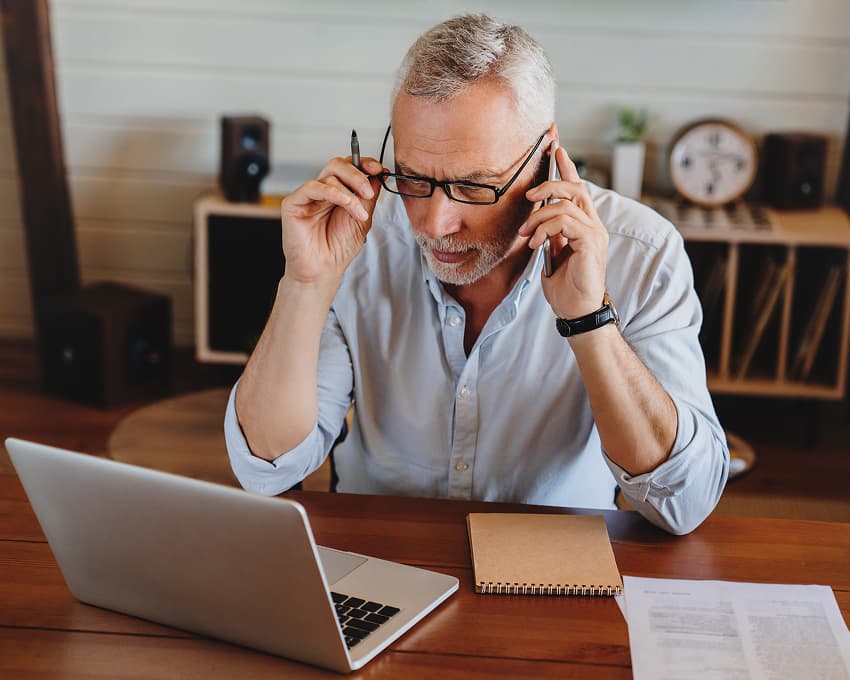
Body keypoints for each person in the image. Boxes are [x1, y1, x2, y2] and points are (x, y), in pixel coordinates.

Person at [224, 14, 729, 535]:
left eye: (474, 186)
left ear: (547, 156)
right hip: (382, 553)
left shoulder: (641, 252)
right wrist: (306, 284)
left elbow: (683, 502)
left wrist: (590, 320)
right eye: (414, 177)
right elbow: (266, 464)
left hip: (553, 563)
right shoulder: (355, 234)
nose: (436, 224)